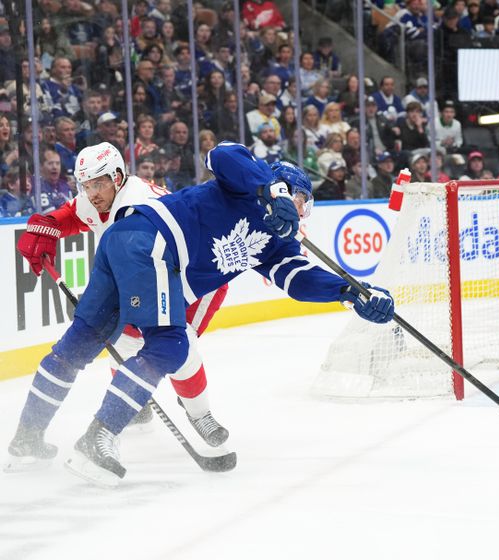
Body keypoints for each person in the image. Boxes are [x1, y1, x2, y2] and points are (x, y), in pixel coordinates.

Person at [6, 143, 394, 486]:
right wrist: (270, 190)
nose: (301, 213)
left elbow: (298, 280)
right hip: (152, 243)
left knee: (78, 344)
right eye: (300, 202)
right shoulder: (244, 187)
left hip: (126, 245)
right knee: (171, 345)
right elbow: (223, 153)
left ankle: (26, 440)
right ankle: (98, 438)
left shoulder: (276, 244)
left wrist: (351, 292)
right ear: (286, 193)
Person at [7, 141, 233, 454]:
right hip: (143, 269)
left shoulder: (141, 206)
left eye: (98, 184)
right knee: (122, 339)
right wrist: (50, 226)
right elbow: (75, 214)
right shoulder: (99, 199)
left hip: (196, 276)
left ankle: (199, 412)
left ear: (117, 177)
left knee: (180, 348)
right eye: (86, 185)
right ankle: (36, 434)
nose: (92, 193)